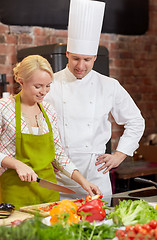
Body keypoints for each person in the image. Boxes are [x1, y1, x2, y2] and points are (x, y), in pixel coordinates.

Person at [44, 0, 145, 200]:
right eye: (75, 58)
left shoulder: (109, 86)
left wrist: (119, 155)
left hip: (97, 177)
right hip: (59, 177)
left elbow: (135, 121)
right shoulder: (50, 83)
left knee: (101, 227)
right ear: (67, 54)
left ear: (95, 58)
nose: (81, 65)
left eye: (87, 59)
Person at [0, 55, 102, 210]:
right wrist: (16, 164)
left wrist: (83, 181)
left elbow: (59, 155)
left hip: (48, 195)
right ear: (21, 81)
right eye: (38, 86)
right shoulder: (4, 108)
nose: (44, 92)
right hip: (15, 194)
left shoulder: (48, 111)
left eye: (48, 86)